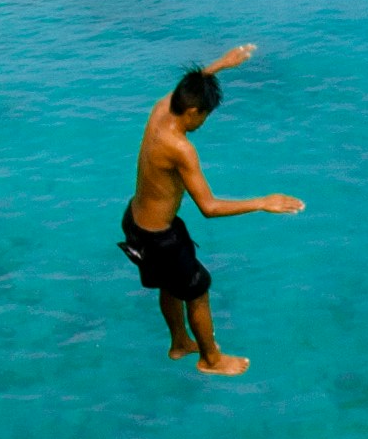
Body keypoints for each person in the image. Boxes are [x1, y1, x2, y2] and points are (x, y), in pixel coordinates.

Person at [121, 44, 304, 375]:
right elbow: (208, 206)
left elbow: (188, 88)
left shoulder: (161, 108)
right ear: (192, 113)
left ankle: (179, 343)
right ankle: (211, 359)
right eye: (204, 115)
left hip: (136, 222)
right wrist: (262, 202)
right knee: (198, 291)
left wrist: (220, 65)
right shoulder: (180, 148)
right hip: (160, 238)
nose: (204, 122)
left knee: (169, 285)